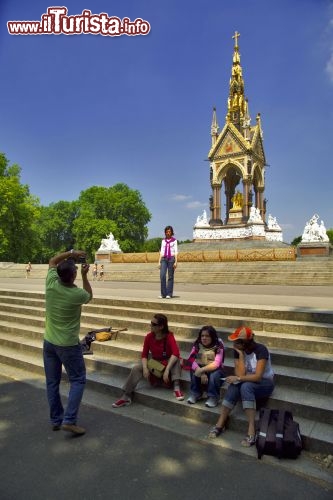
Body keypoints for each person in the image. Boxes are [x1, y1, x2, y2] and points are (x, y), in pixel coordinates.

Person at [43, 250, 93, 435]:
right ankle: (69, 420)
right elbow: (89, 296)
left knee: (52, 382)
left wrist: (71, 253)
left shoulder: (50, 284)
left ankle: (56, 419)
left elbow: (52, 260)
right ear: (73, 276)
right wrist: (85, 276)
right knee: (78, 379)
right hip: (68, 345)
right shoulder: (77, 295)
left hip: (49, 341)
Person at [209, 325, 274, 447]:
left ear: (246, 342)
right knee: (235, 385)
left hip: (265, 383)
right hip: (247, 380)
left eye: (238, 342)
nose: (235, 344)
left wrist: (238, 378)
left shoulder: (261, 350)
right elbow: (240, 374)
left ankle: (251, 430)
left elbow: (258, 376)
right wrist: (241, 356)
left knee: (245, 386)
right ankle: (220, 423)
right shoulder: (238, 351)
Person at [112, 313, 184, 407]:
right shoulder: (149, 337)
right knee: (137, 368)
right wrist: (145, 368)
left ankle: (177, 387)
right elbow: (144, 355)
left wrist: (167, 370)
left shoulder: (169, 336)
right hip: (156, 364)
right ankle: (126, 396)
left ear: (161, 326)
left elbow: (175, 353)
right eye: (151, 323)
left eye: (154, 324)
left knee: (176, 359)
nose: (151, 326)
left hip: (168, 364)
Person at [186, 325, 225, 408]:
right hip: (202, 369)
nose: (204, 338)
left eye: (207, 336)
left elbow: (217, 363)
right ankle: (196, 393)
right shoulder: (197, 344)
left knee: (215, 374)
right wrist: (201, 371)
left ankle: (213, 397)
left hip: (215, 371)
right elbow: (190, 360)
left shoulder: (218, 344)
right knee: (193, 369)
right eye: (202, 336)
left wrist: (201, 370)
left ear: (212, 337)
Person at [158, 226, 178, 299]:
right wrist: (159, 262)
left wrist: (176, 262)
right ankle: (163, 293)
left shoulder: (174, 241)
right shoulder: (163, 241)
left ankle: (169, 293)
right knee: (162, 275)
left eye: (169, 231)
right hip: (163, 259)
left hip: (171, 259)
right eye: (167, 232)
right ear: (165, 232)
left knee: (170, 276)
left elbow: (176, 252)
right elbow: (161, 252)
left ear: (171, 232)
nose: (168, 233)